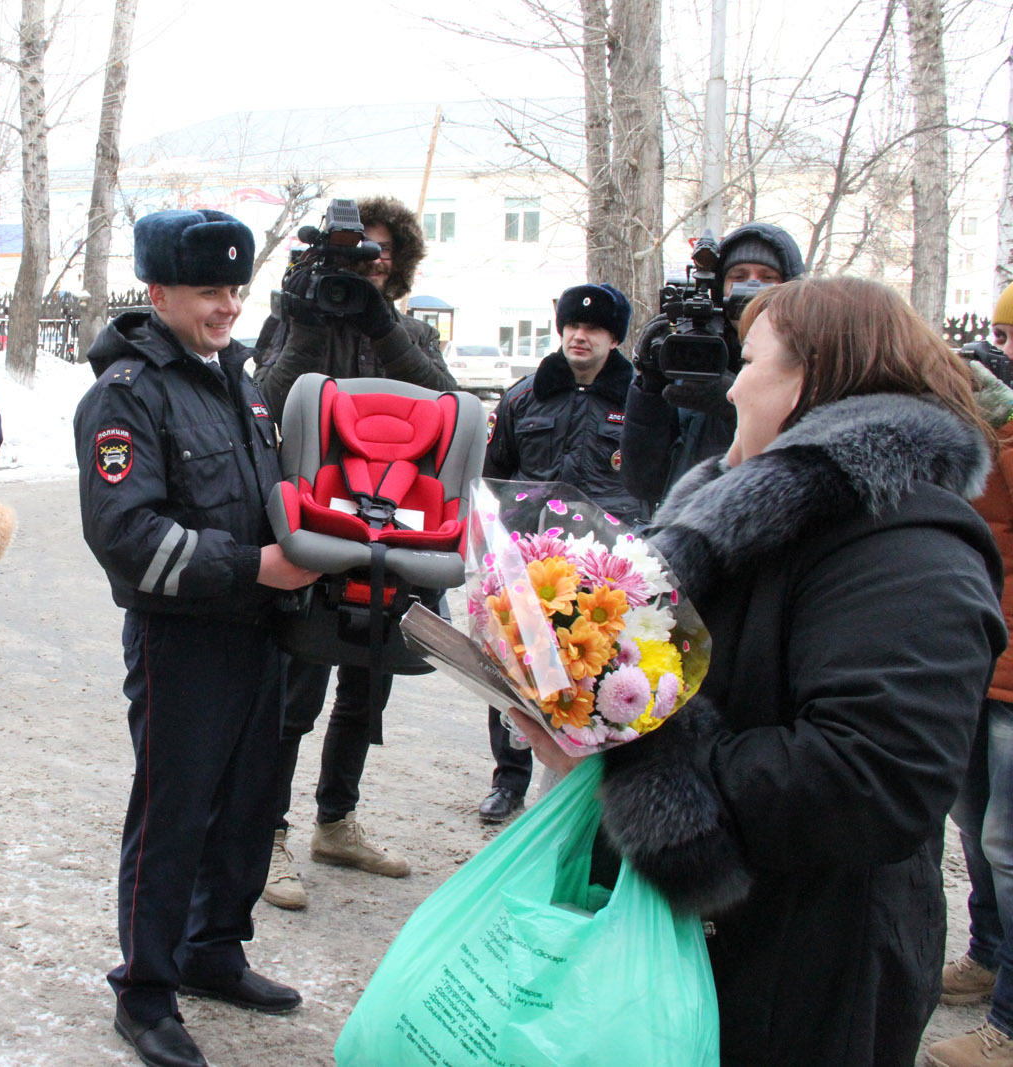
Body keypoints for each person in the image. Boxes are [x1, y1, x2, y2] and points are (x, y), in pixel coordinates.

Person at [513, 275, 1005, 1067]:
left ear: (814, 380)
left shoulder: (910, 545)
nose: (733, 384)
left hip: (804, 972)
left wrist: (633, 748)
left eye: (752, 361)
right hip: (705, 940)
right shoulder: (750, 510)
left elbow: (873, 776)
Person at [74, 209, 320, 1067]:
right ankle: (144, 991)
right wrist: (252, 566)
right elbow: (126, 534)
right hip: (184, 640)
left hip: (260, 633)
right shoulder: (126, 394)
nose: (227, 305)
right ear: (159, 292)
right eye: (210, 290)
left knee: (252, 800)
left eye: (235, 288)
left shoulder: (237, 378)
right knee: (173, 813)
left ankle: (215, 948)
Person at [251, 195, 457, 910]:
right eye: (351, 255)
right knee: (294, 692)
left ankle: (335, 821)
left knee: (369, 681)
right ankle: (265, 835)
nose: (364, 269)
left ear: (395, 266)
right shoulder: (292, 320)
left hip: (394, 530)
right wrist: (307, 328)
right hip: (313, 525)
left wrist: (384, 328)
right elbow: (260, 411)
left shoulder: (409, 333)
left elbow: (449, 411)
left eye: (378, 256)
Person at [476, 282, 642, 823]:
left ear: (613, 338)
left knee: (592, 670)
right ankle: (508, 780)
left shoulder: (640, 402)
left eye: (593, 328)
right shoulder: (525, 396)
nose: (579, 335)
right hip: (530, 557)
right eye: (572, 325)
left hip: (604, 562)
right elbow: (494, 473)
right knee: (518, 665)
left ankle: (585, 781)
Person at [924, 279, 1013, 1067]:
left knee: (1008, 840)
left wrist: (1003, 422)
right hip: (986, 653)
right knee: (974, 826)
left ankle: (1011, 1022)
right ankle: (987, 955)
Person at [620, 222, 806, 509]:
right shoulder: (690, 356)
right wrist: (649, 389)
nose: (751, 288)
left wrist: (737, 403)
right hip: (686, 526)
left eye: (767, 277)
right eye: (739, 276)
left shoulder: (811, 366)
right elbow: (643, 483)